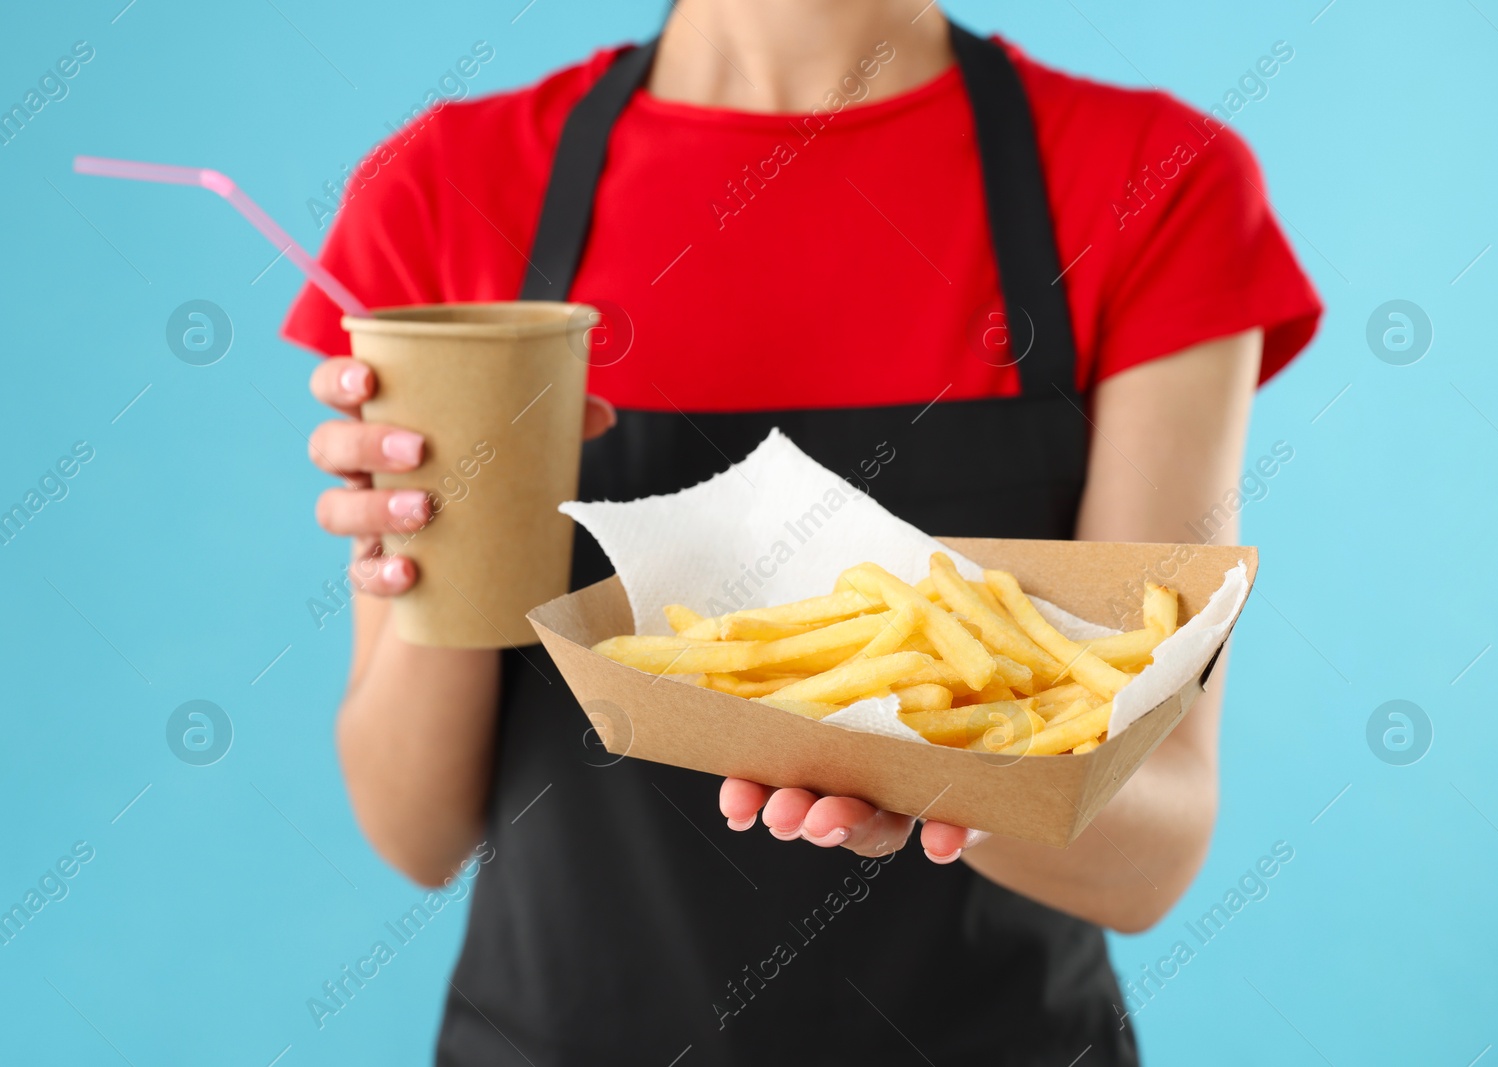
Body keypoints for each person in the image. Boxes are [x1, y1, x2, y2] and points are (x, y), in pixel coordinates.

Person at [282, 1, 1321, 1063]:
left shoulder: (1153, 179)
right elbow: (416, 830)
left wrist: (931, 775)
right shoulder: (446, 188)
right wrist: (430, 533)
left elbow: (1152, 854)